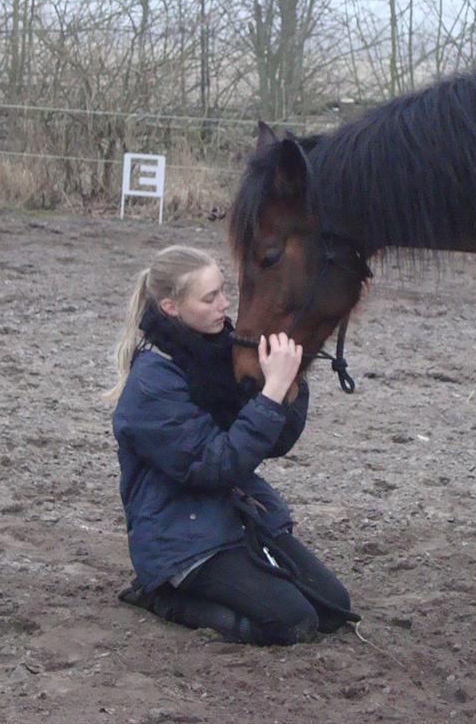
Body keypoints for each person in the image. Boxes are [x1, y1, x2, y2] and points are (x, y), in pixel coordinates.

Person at [105, 245, 355, 645]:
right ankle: (163, 598)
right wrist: (270, 394)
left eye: (223, 291)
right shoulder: (152, 383)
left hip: (236, 514)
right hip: (178, 535)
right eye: (209, 298)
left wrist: (290, 383)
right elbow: (214, 465)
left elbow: (275, 442)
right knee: (291, 623)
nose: (224, 304)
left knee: (333, 609)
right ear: (171, 307)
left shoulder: (223, 351)